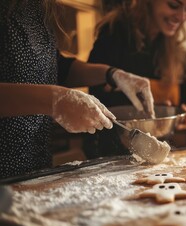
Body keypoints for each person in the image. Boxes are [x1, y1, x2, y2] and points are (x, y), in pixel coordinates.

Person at [0, 0, 154, 179]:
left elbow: (55, 66)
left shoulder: (36, 7)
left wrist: (112, 75)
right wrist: (54, 100)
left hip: (32, 166)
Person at [83, 0, 186, 157]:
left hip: (159, 152)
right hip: (113, 153)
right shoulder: (115, 34)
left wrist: (181, 117)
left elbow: (185, 104)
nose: (182, 16)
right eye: (173, 5)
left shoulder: (177, 53)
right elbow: (96, 99)